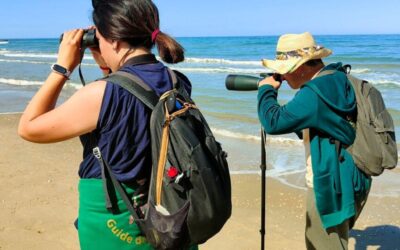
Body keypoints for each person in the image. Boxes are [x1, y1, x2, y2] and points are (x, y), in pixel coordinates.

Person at [18, 0, 196, 249]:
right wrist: (106, 62)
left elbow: (28, 127)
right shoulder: (178, 81)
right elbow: (130, 96)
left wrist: (62, 68)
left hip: (116, 224)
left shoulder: (99, 94)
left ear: (113, 40)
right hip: (171, 219)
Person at [257, 32, 371, 249]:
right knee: (336, 240)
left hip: (330, 181)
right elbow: (332, 125)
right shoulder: (337, 77)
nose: (281, 75)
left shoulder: (314, 93)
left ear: (298, 67)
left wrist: (265, 91)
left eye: (283, 70)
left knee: (322, 244)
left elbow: (272, 122)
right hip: (354, 175)